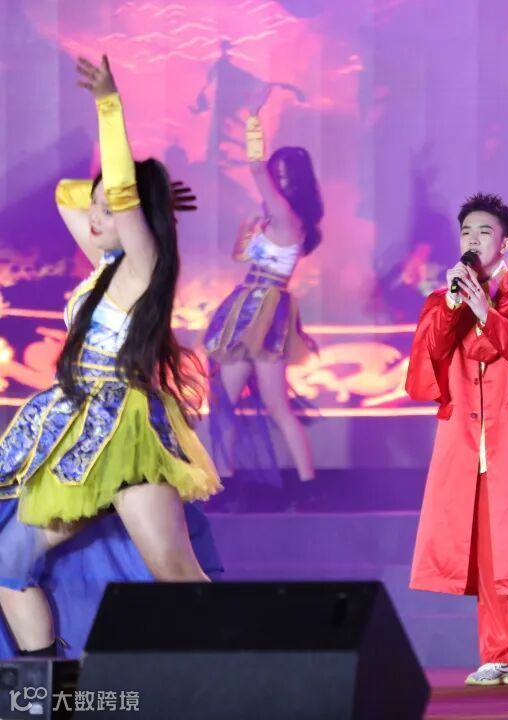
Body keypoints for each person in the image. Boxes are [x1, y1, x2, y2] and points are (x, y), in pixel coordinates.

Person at [0, 55, 221, 656]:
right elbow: (66, 196)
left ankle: (252, 677)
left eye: (110, 207)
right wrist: (141, 198)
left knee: (177, 575)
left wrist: (109, 106)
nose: (94, 216)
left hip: (123, 436)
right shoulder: (107, 265)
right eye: (98, 207)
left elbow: (119, 200)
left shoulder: (143, 269)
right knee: (9, 565)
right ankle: (51, 693)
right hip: (74, 431)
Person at [406, 193, 508, 687]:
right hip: (467, 436)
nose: (474, 240)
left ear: (505, 242)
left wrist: (486, 310)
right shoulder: (446, 299)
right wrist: (453, 305)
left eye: (484, 232)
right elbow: (430, 354)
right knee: (484, 546)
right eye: (467, 232)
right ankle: (498, 653)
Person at [203, 111, 322, 485]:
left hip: (265, 311)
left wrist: (253, 130)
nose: (278, 184)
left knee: (275, 405)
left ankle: (308, 485)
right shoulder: (271, 219)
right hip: (248, 307)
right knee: (224, 401)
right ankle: (224, 478)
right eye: (277, 175)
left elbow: (256, 172)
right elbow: (241, 256)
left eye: (284, 178)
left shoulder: (288, 217)